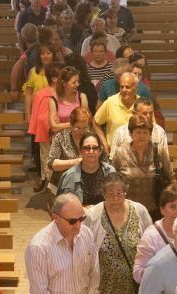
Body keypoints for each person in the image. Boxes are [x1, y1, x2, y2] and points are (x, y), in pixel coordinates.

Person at [84, 173, 152, 294]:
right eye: (110, 193)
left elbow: (150, 240)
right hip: (107, 284)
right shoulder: (94, 214)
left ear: (125, 192)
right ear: (103, 193)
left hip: (134, 285)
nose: (115, 197)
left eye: (119, 193)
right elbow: (86, 246)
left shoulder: (139, 211)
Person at [25, 193, 100, 294]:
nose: (78, 225)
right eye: (72, 221)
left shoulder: (86, 234)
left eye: (82, 218)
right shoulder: (38, 246)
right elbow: (40, 291)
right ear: (55, 218)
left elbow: (95, 273)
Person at [112, 114, 172, 219]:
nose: (142, 136)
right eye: (138, 132)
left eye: (145, 132)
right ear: (130, 133)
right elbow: (113, 180)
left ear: (150, 134)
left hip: (155, 209)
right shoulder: (120, 152)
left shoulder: (159, 150)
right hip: (127, 210)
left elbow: (170, 176)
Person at [133, 185, 177, 283]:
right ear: (162, 210)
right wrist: (163, 271)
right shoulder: (151, 236)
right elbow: (137, 274)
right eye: (172, 207)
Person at [28, 62, 61, 194]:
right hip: (45, 133)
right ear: (54, 78)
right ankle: (48, 186)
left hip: (61, 131)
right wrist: (35, 130)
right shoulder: (40, 94)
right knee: (47, 159)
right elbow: (36, 114)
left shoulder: (64, 93)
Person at [57, 132, 115, 206]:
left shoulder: (110, 173)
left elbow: (116, 201)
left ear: (100, 151)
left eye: (95, 148)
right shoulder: (69, 176)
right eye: (87, 148)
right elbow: (61, 207)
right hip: (78, 216)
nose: (91, 151)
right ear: (80, 151)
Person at [94, 72, 140, 149]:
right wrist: (104, 143)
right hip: (114, 155)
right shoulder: (110, 102)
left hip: (137, 155)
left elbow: (152, 127)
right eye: (122, 87)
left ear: (135, 87)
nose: (124, 90)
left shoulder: (141, 104)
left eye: (127, 87)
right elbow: (95, 122)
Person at [49, 66, 89, 135]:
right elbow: (54, 128)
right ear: (64, 84)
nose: (77, 84)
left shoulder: (82, 97)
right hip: (60, 140)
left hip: (79, 137)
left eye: (78, 81)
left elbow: (86, 121)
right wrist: (77, 123)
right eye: (73, 82)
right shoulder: (54, 100)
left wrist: (61, 125)